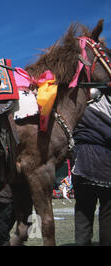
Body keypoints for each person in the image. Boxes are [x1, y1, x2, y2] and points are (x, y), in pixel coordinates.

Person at [72, 90, 111, 246]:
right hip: (106, 165)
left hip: (82, 163)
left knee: (83, 211)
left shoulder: (81, 107)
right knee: (107, 213)